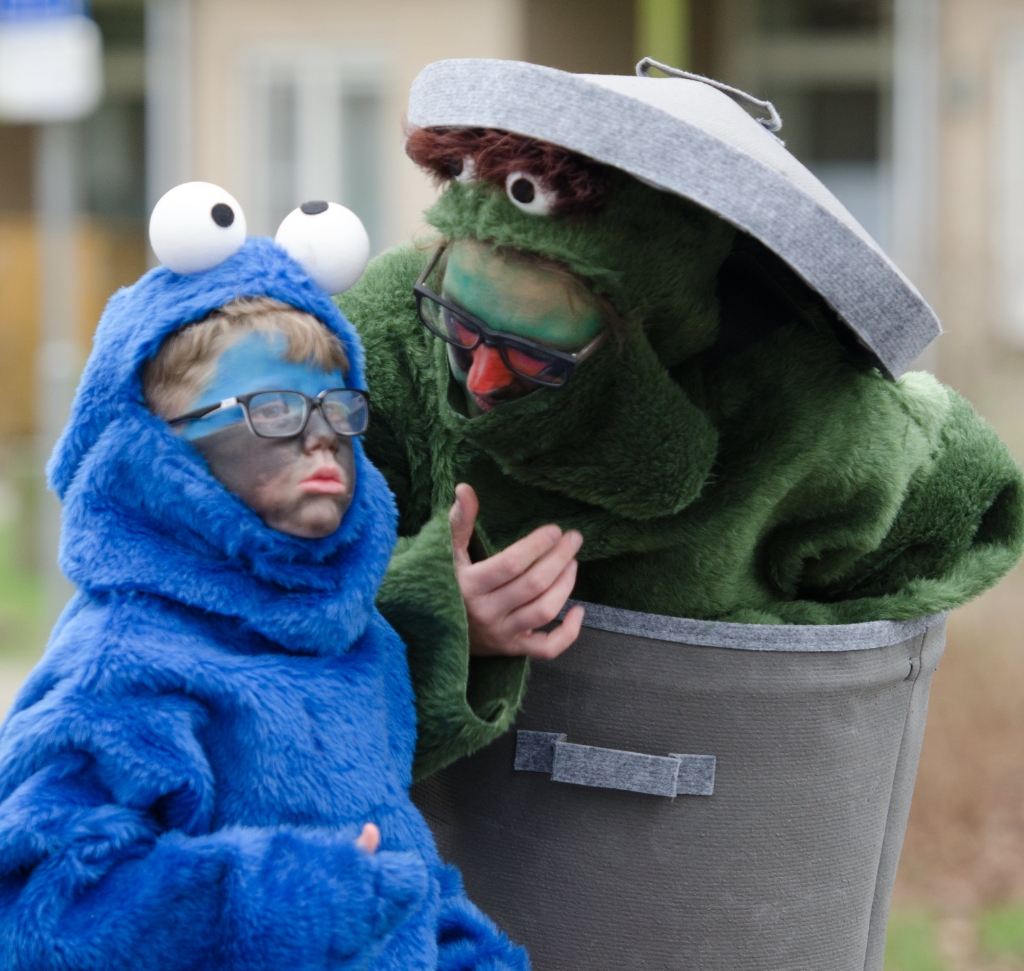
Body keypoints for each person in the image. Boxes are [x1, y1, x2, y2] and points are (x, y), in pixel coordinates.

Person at [335, 63, 1024, 784]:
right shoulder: (378, 341)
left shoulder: (795, 404)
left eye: (531, 359)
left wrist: (738, 661)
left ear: (647, 334)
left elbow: (976, 512)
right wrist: (434, 621)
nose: (478, 377)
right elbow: (255, 610)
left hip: (709, 859)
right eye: (461, 325)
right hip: (452, 843)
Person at [0, 194, 528, 971]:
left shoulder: (355, 644)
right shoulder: (127, 656)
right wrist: (300, 898)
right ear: (161, 450)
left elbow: (394, 871)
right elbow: (38, 907)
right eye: (275, 408)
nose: (320, 434)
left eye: (335, 406)